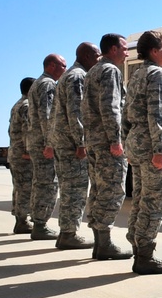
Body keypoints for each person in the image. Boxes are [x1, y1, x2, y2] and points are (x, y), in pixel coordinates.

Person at [124, 30, 162, 274]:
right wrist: (160, 149)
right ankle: (145, 255)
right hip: (151, 147)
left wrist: (128, 143)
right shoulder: (158, 74)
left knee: (141, 197)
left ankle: (137, 243)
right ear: (154, 51)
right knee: (155, 201)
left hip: (137, 144)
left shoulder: (137, 75)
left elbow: (125, 114)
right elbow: (158, 113)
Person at [82, 33, 132, 261]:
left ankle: (100, 241)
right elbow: (110, 107)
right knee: (112, 190)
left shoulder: (93, 71)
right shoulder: (110, 71)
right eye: (123, 48)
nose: (127, 52)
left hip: (93, 140)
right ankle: (104, 244)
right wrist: (116, 140)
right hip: (105, 142)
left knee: (99, 189)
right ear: (112, 49)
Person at [50, 42, 101, 250]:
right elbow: (76, 112)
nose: (99, 60)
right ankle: (68, 233)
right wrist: (81, 143)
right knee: (75, 189)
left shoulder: (68, 76)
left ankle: (67, 232)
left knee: (70, 188)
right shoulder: (78, 77)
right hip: (71, 145)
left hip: (63, 142)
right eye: (97, 56)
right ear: (87, 56)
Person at [26, 53, 67, 239]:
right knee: (48, 184)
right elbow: (47, 115)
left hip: (36, 140)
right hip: (44, 143)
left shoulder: (38, 84)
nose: (64, 70)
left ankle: (38, 223)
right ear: (51, 66)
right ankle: (40, 225)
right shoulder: (48, 84)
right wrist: (50, 143)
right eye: (62, 66)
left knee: (40, 183)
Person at [7, 77, 35, 234]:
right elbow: (27, 130)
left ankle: (20, 219)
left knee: (19, 188)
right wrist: (28, 151)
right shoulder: (26, 106)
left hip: (15, 152)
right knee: (25, 188)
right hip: (23, 155)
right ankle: (22, 221)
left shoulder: (17, 105)